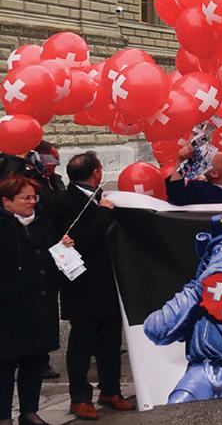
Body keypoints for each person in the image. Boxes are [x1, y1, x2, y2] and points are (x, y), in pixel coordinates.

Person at [40, 154, 135, 419]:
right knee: (82, 342)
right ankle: (80, 397)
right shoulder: (63, 202)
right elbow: (86, 238)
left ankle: (111, 390)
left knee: (111, 339)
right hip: (81, 284)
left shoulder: (102, 197)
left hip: (109, 280)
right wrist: (104, 212)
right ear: (96, 172)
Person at [2, 176, 72, 425]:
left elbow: (54, 257)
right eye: (25, 198)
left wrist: (64, 248)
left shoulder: (43, 223)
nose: (32, 202)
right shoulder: (4, 227)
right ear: (7, 202)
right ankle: (3, 415)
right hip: (9, 309)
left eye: (34, 197)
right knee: (5, 365)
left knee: (35, 360)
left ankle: (29, 411)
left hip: (41, 304)